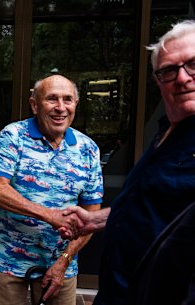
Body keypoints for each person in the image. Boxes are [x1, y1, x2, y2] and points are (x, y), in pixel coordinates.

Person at [60, 20, 195, 305]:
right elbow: (150, 204)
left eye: (193, 64)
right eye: (169, 70)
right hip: (117, 291)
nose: (182, 78)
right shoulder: (166, 133)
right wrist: (96, 219)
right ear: (158, 81)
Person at [0, 74, 103, 305]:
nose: (60, 108)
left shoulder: (88, 149)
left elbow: (91, 216)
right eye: (51, 99)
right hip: (6, 259)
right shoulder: (13, 136)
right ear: (34, 104)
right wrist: (50, 216)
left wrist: (64, 261)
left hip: (61, 262)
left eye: (67, 99)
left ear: (76, 104)